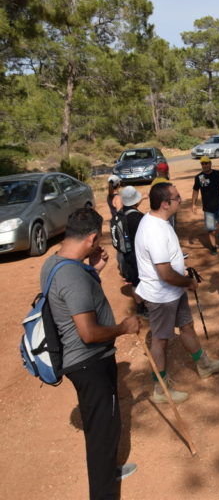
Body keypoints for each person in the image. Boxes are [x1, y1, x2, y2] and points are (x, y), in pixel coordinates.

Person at [40, 207, 140, 499]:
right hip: (89, 363)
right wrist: (122, 327)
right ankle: (104, 492)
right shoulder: (73, 277)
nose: (97, 248)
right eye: (96, 243)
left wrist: (93, 270)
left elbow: (69, 300)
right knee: (101, 432)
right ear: (92, 237)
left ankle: (108, 472)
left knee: (106, 424)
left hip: (82, 362)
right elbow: (89, 333)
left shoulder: (54, 263)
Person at [134, 182, 219, 403]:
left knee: (186, 326)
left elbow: (168, 265)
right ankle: (160, 388)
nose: (181, 200)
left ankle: (204, 365)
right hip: (161, 296)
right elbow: (165, 274)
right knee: (160, 340)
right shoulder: (154, 231)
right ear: (165, 204)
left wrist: (182, 271)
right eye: (177, 198)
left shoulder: (160, 221)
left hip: (172, 292)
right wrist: (187, 281)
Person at [116, 185, 147, 317]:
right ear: (136, 201)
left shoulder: (120, 215)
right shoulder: (139, 218)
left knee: (134, 280)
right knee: (144, 280)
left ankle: (139, 306)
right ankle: (146, 306)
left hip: (126, 253)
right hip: (139, 255)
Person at [191, 156, 219, 255]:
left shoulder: (218, 174)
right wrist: (193, 204)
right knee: (211, 229)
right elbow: (195, 191)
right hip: (208, 209)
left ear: (210, 163)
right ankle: (213, 247)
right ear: (201, 165)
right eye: (203, 164)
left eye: (206, 163)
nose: (205, 165)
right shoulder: (199, 177)